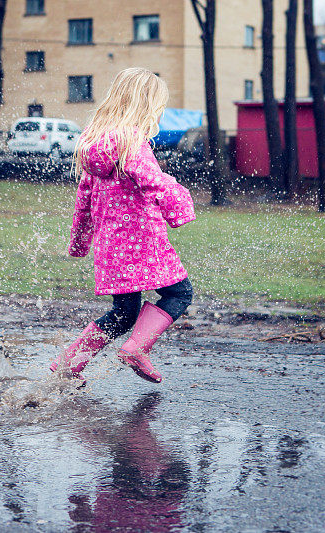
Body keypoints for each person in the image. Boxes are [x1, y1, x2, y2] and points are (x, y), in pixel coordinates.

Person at [50, 67, 195, 384]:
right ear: (146, 104)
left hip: (111, 248)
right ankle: (136, 349)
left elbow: (83, 201)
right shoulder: (131, 142)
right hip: (143, 243)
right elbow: (153, 180)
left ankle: (67, 365)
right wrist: (179, 206)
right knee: (181, 293)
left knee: (124, 312)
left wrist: (79, 242)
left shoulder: (95, 144)